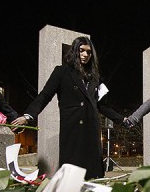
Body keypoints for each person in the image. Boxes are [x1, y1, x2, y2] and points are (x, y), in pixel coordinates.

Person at [11, 36, 124, 179]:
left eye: (88, 52)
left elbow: (101, 105)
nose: (85, 55)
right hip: (72, 129)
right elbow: (44, 96)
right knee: (72, 175)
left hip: (92, 130)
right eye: (81, 51)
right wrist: (28, 116)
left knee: (93, 176)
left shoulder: (95, 78)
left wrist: (122, 119)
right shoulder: (61, 72)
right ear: (74, 51)